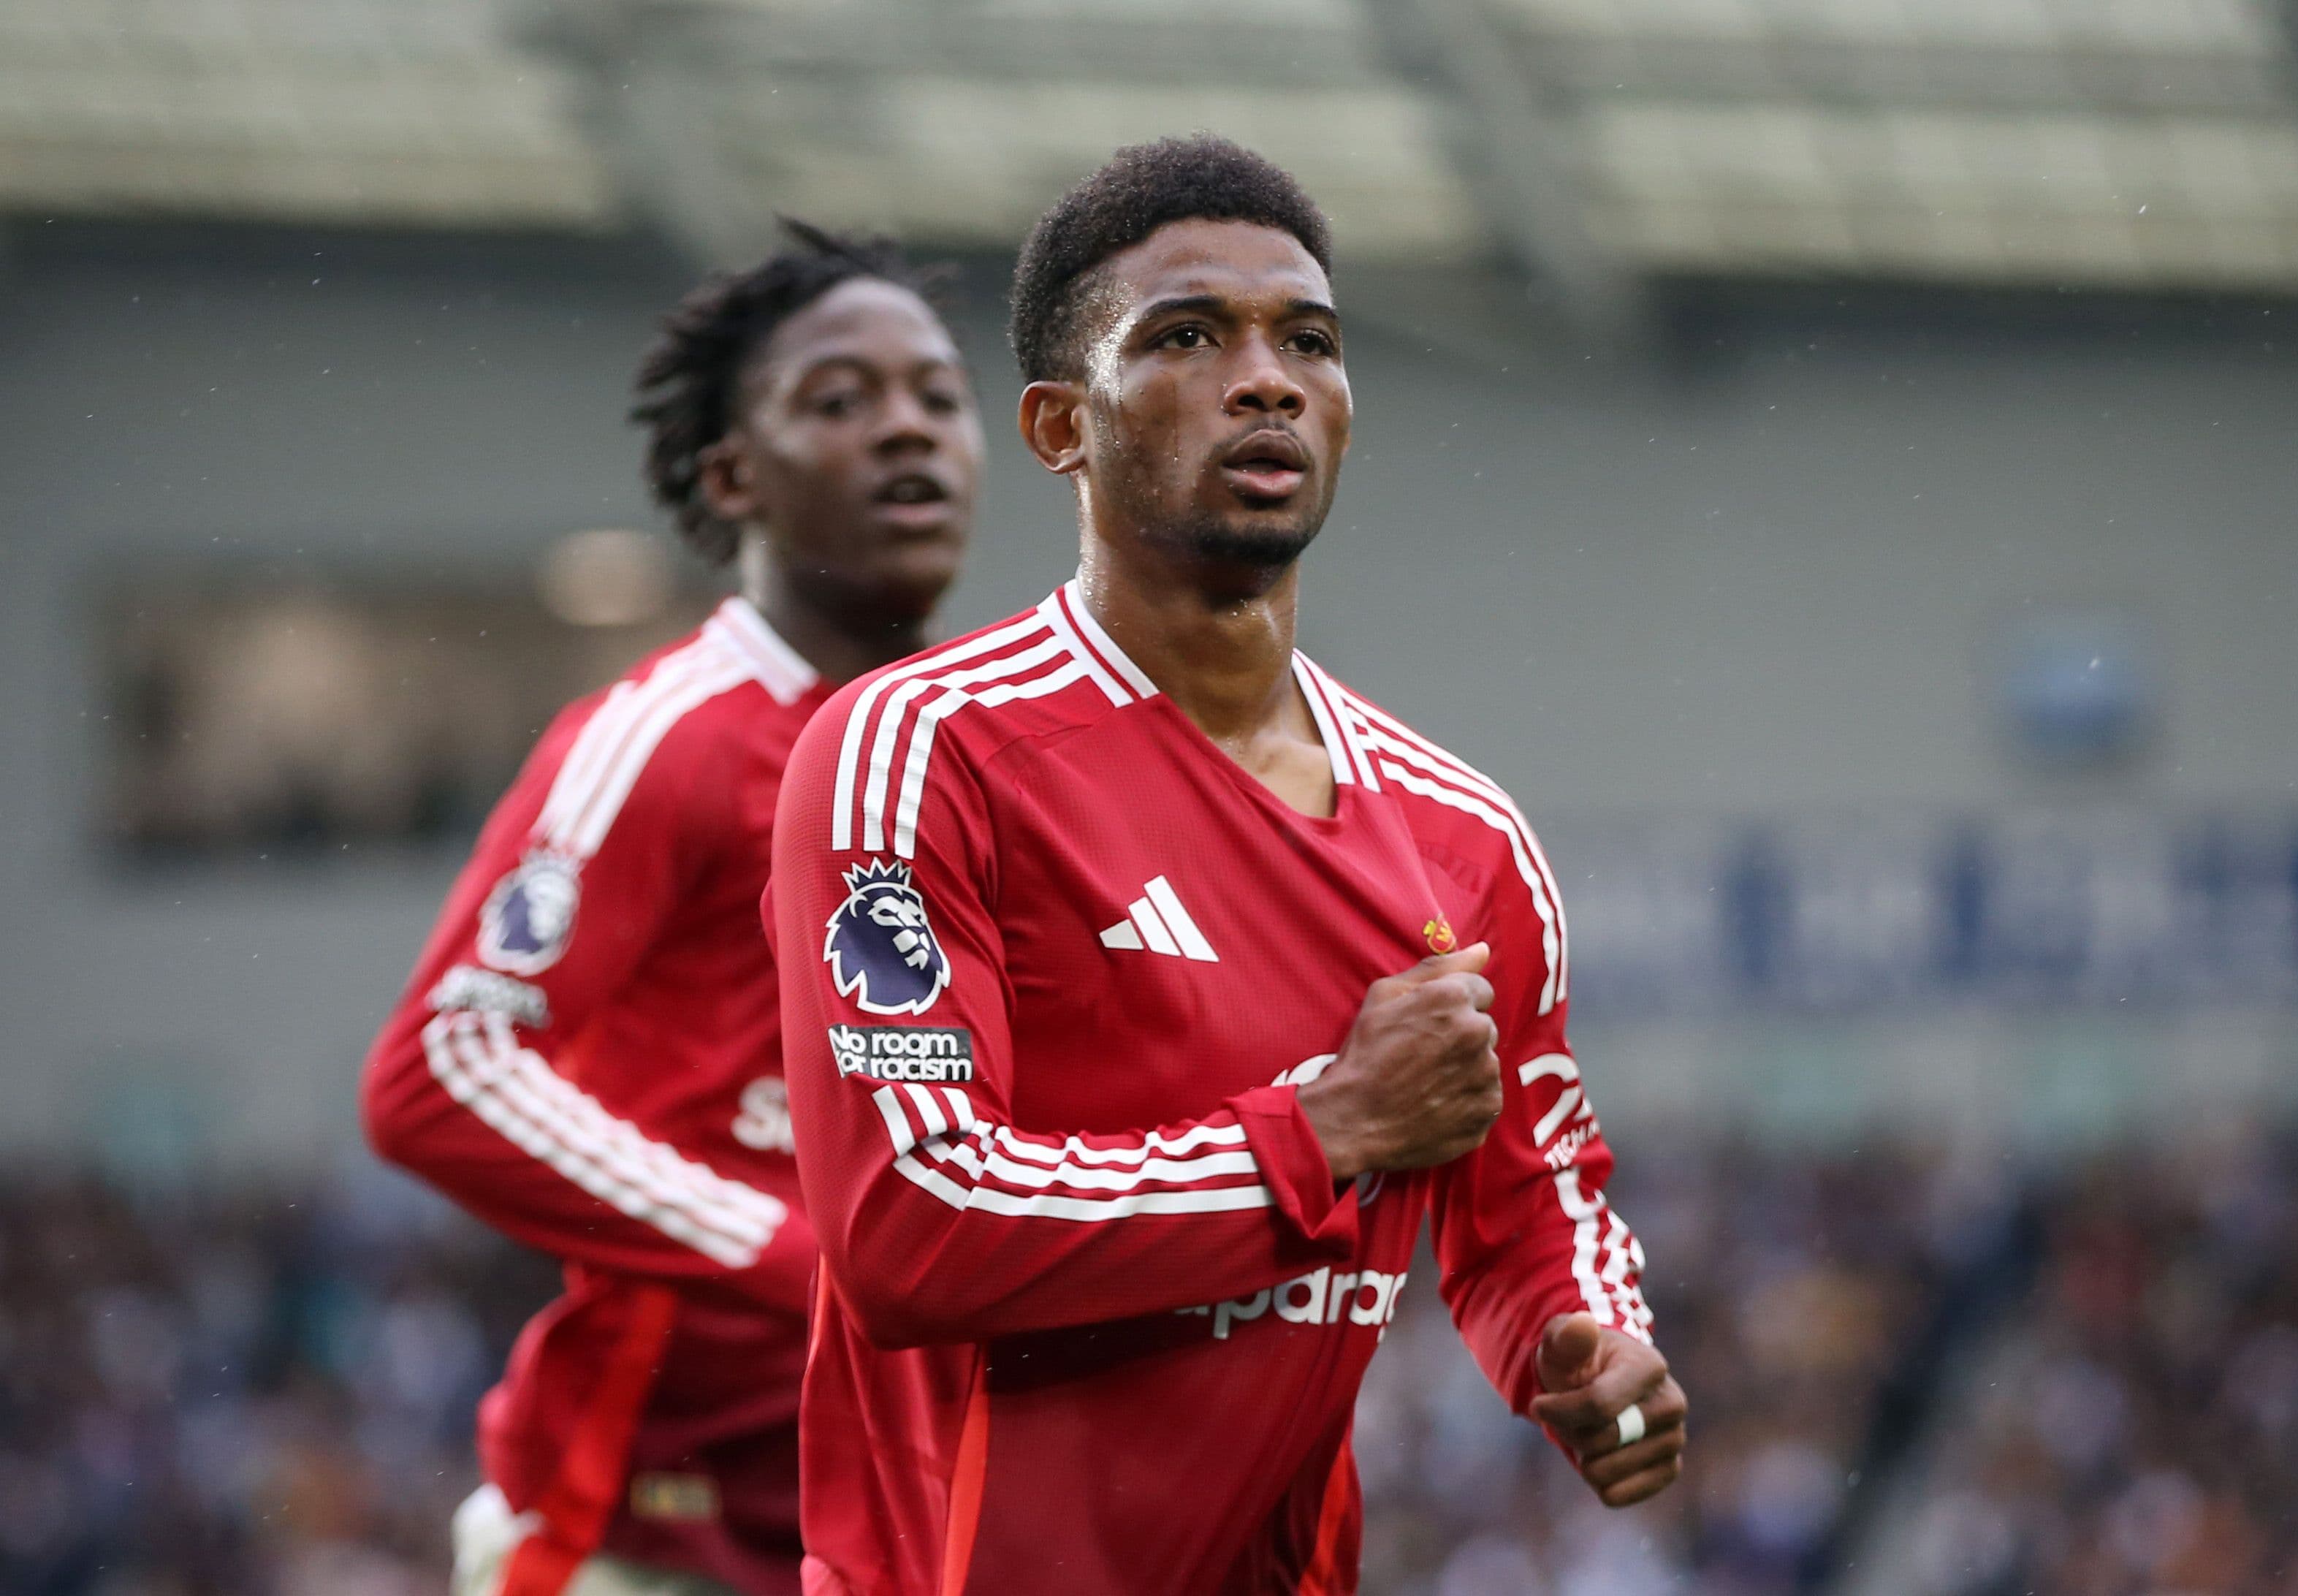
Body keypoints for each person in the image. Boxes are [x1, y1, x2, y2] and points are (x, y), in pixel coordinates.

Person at [769, 137, 1686, 1595]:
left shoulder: (1465, 838)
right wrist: (1322, 1130)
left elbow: (1531, 1202)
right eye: (1190, 338)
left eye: (1307, 343)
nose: (1266, 378)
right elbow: (908, 1224)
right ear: (1061, 427)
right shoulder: (921, 754)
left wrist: (1583, 1330)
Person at [361, 220, 985, 1596]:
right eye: (841, 399)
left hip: (909, 1531)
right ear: (733, 474)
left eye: (937, 397)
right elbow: (439, 1070)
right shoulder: (672, 737)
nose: (908, 432)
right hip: (650, 1531)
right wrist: (798, 1251)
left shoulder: (973, 758)